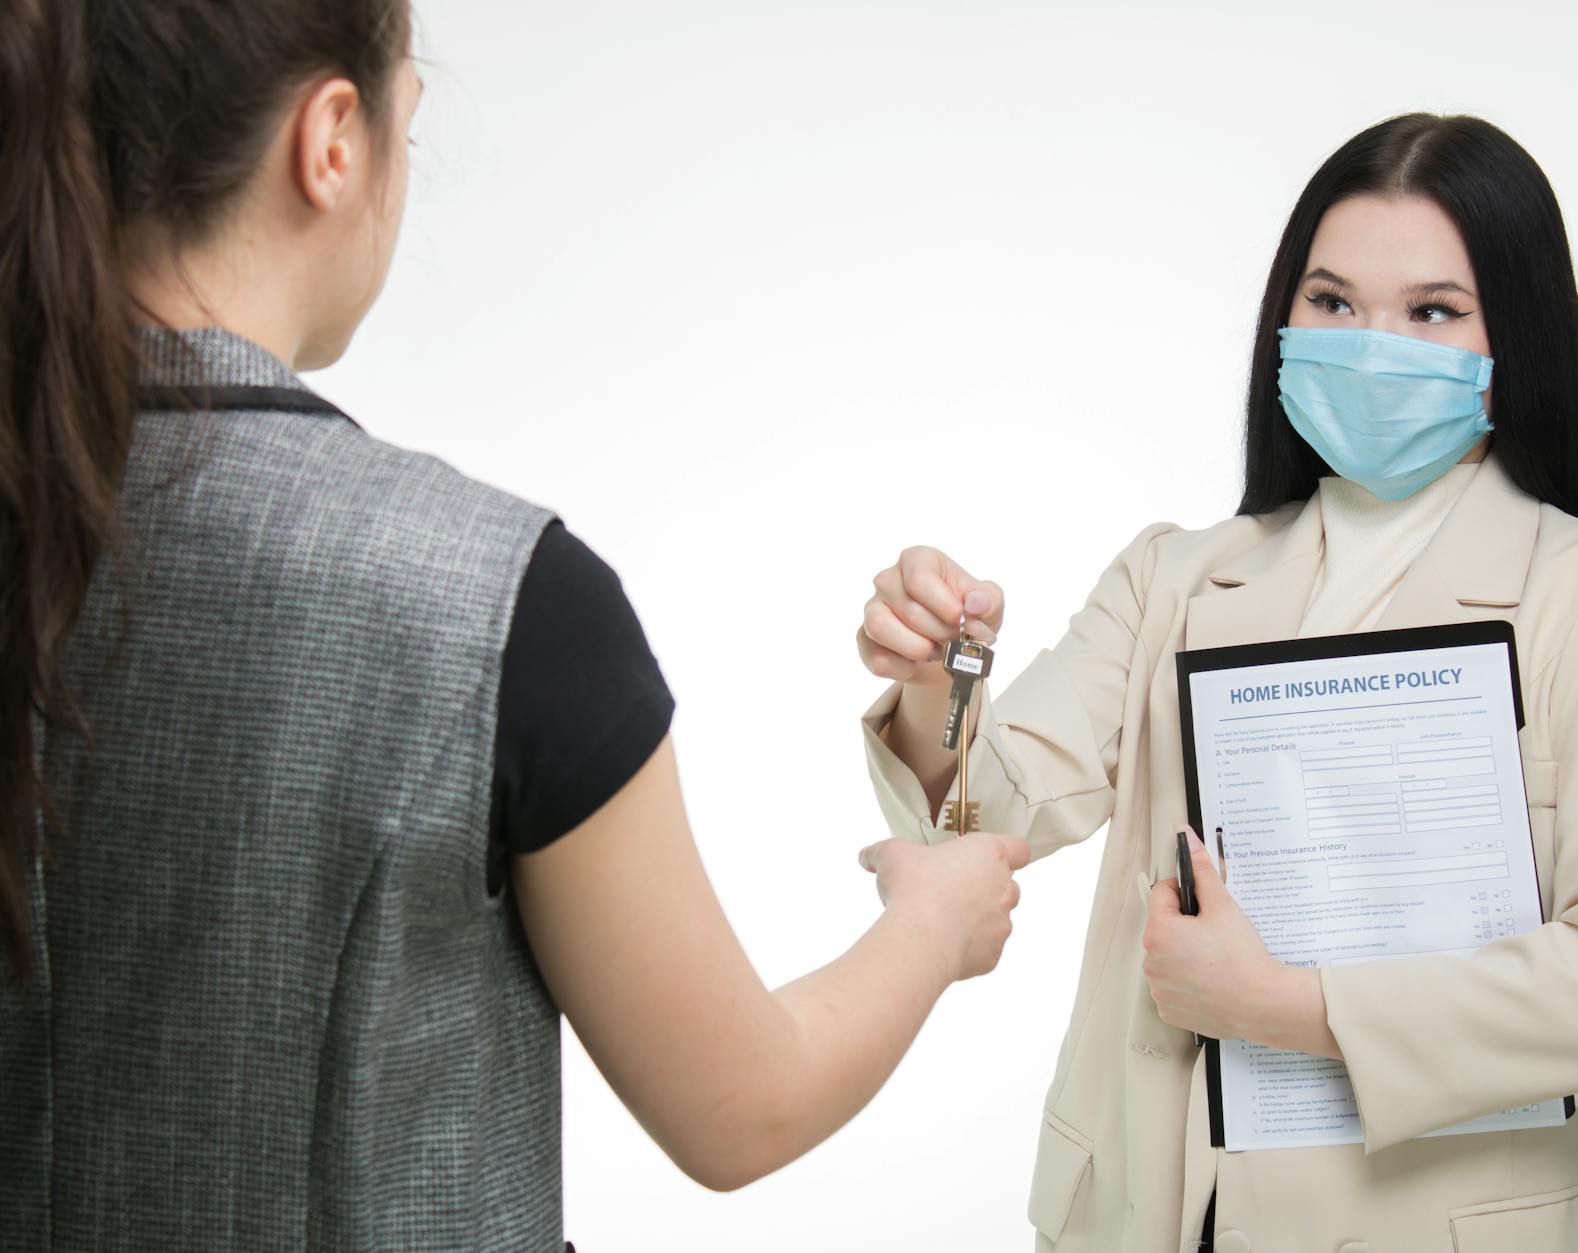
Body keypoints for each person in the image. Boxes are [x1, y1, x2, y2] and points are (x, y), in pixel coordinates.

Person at [0, 2, 1028, 1249]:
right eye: (404, 127)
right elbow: (737, 1105)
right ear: (331, 142)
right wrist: (930, 922)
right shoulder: (498, 600)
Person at [856, 113, 1578, 1252]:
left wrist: (1288, 1009)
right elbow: (987, 814)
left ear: (1519, 337)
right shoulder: (1171, 575)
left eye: (1431, 311)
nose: (1370, 344)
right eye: (1330, 301)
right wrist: (938, 677)